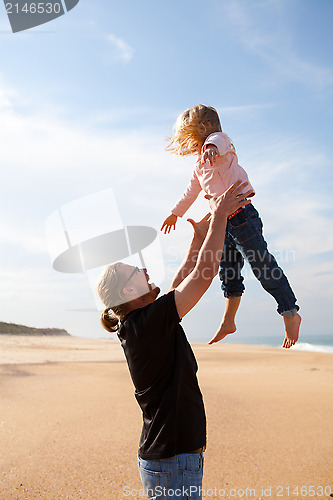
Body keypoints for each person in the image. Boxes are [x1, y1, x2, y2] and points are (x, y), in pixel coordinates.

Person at [97, 181, 252, 500]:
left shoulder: (143, 321)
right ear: (129, 292)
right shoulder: (147, 324)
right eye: (134, 272)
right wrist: (221, 214)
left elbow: (183, 278)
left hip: (168, 457)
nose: (143, 268)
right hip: (172, 460)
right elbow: (204, 275)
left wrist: (197, 238)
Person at [161, 104, 301, 349]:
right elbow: (190, 192)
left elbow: (220, 141)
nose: (195, 145)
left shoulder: (219, 143)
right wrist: (175, 213)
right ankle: (228, 321)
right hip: (223, 223)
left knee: (262, 265)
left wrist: (212, 147)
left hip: (243, 216)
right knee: (228, 273)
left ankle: (289, 311)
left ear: (205, 128)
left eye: (193, 135)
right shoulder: (199, 165)